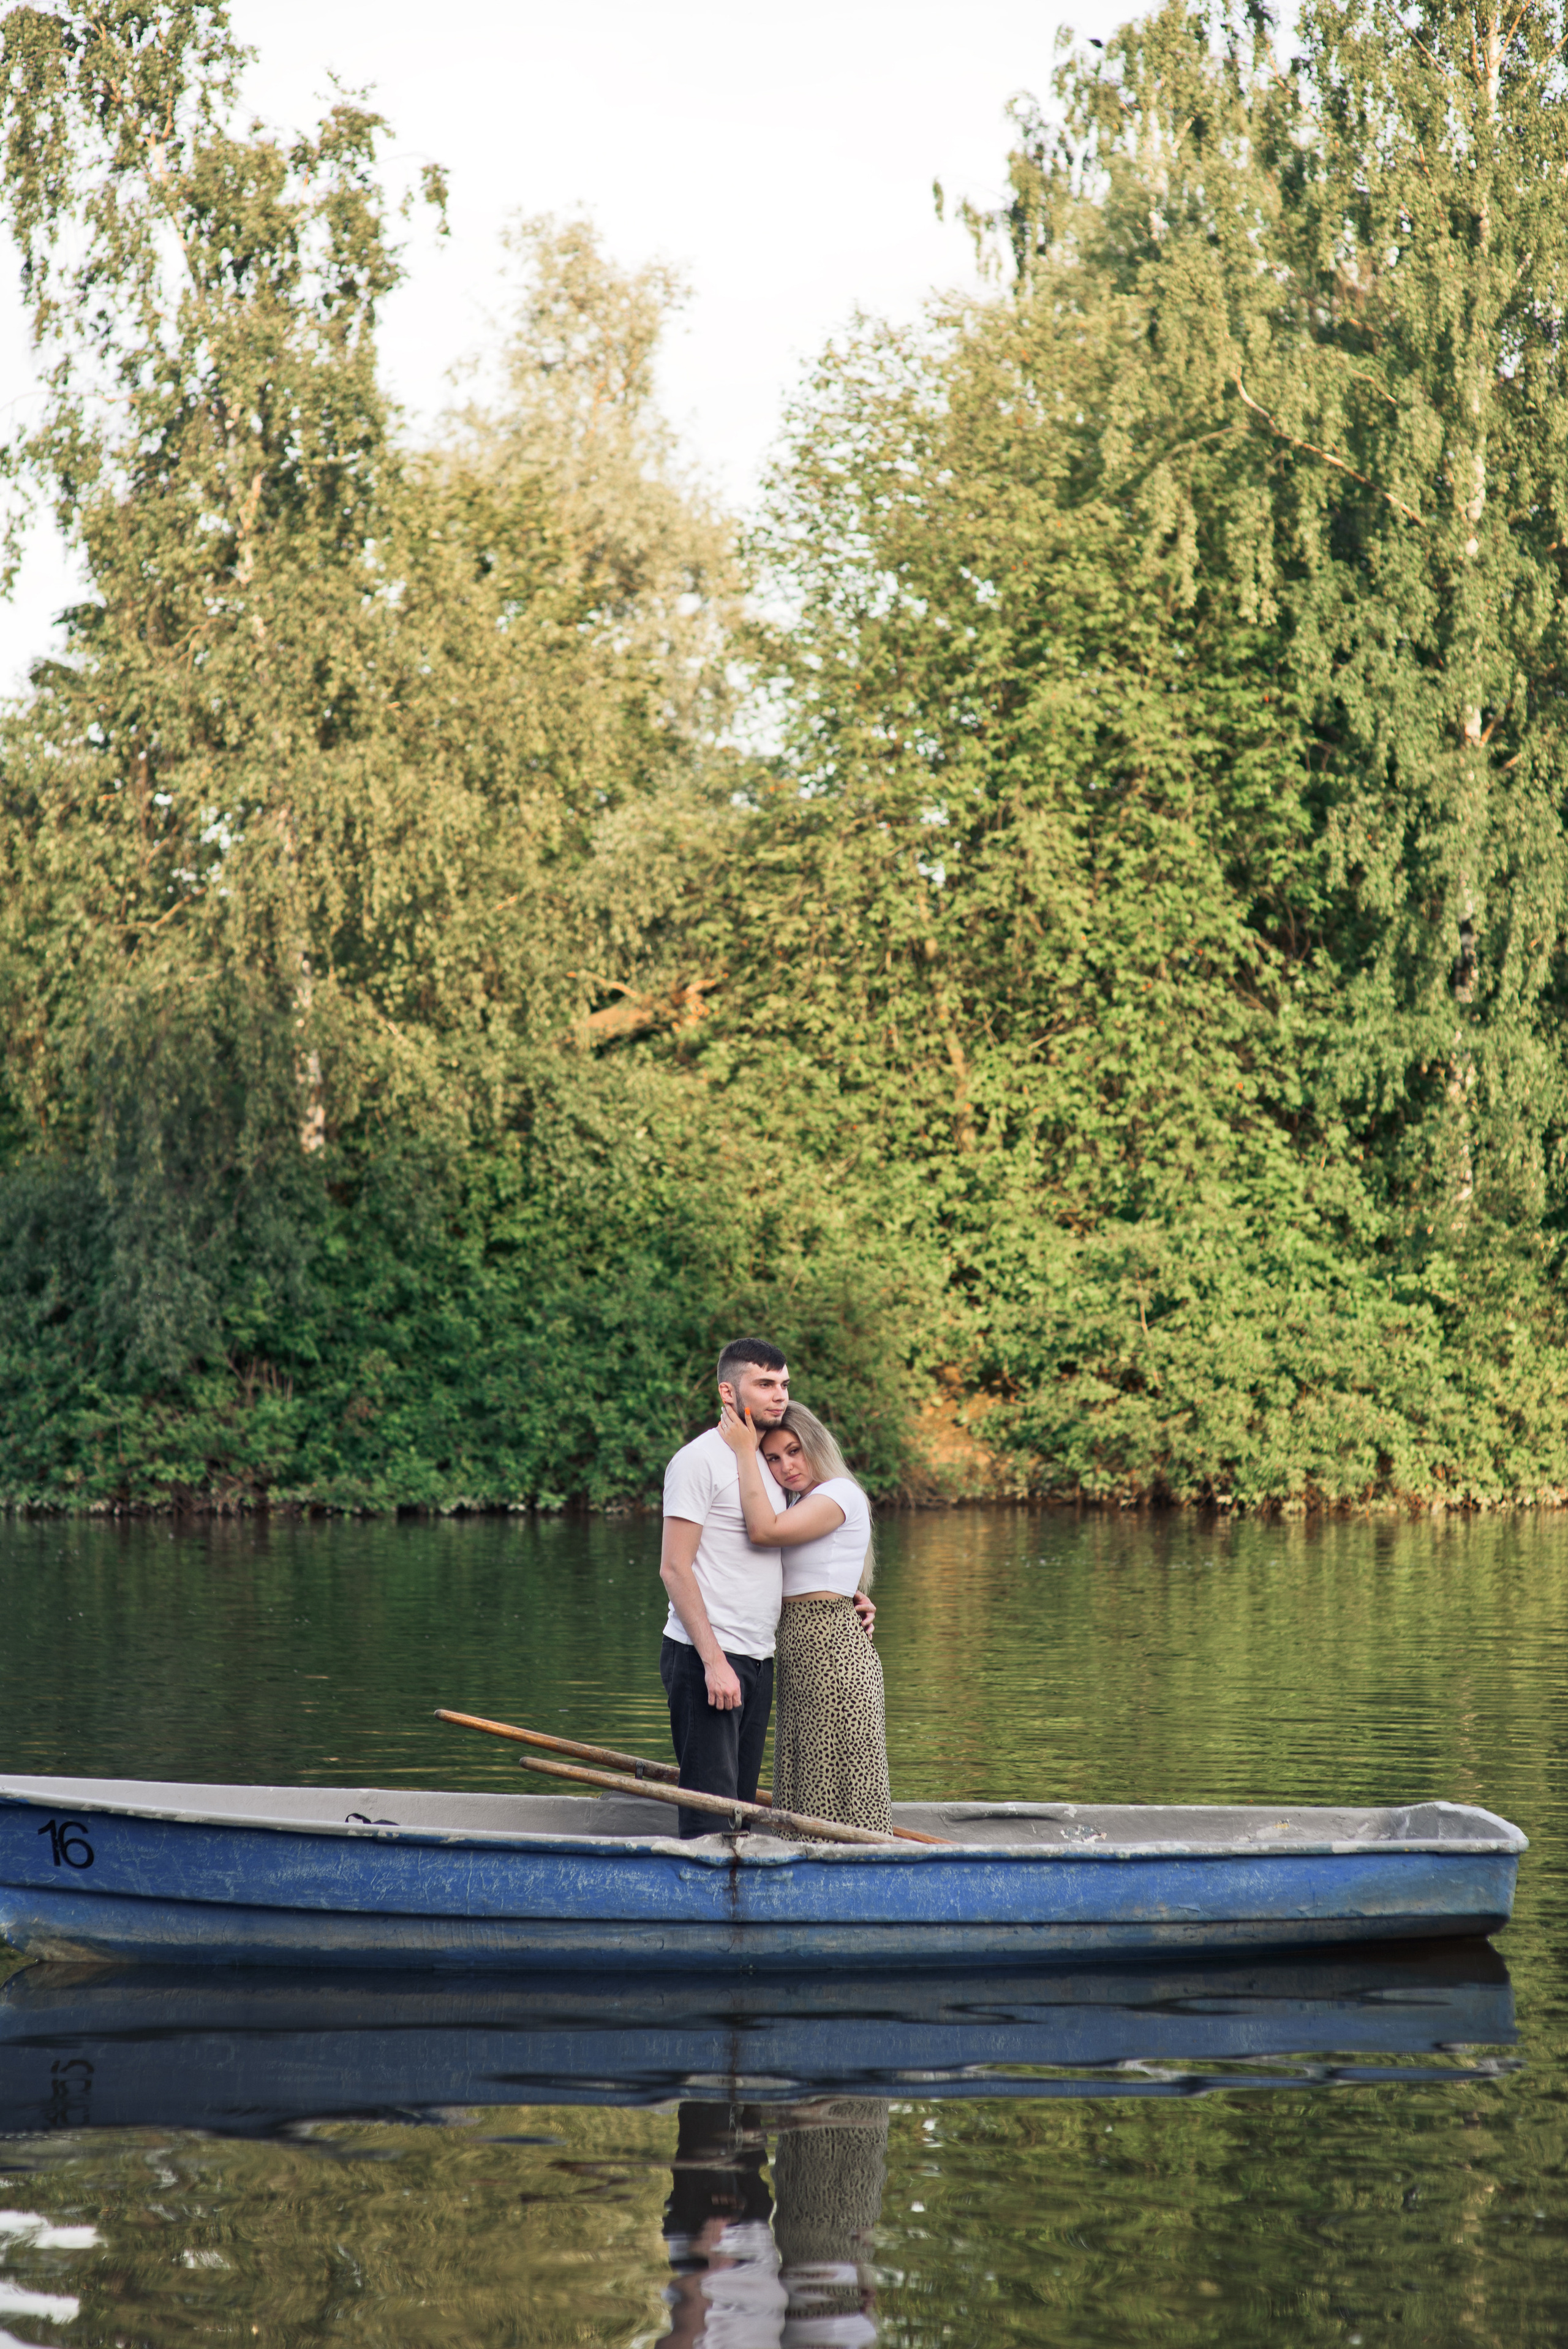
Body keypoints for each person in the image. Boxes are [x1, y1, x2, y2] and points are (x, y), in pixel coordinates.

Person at [719, 1400, 892, 1836]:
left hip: (832, 1655)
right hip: (804, 1654)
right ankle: (808, 1858)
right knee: (804, 1775)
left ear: (815, 1444)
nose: (786, 1467)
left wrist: (745, 1452)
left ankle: (852, 1863)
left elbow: (765, 1532)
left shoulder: (839, 1492)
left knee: (839, 1782)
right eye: (772, 1459)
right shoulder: (802, 1502)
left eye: (794, 1451)